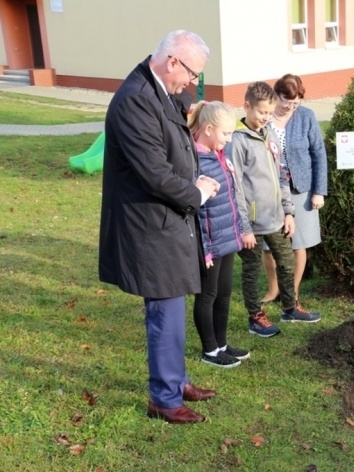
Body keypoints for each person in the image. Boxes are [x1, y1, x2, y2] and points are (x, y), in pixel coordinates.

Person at [99, 30, 218, 424]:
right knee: (165, 310)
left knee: (175, 305)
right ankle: (164, 399)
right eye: (192, 75)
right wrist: (196, 193)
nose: (192, 84)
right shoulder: (134, 100)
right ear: (172, 62)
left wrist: (185, 94)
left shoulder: (161, 89)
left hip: (169, 220)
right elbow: (154, 174)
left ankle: (176, 378)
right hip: (149, 223)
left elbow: (178, 107)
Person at [227, 81, 321, 341]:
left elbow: (281, 176)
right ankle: (255, 317)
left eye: (269, 113)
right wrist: (244, 227)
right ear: (247, 106)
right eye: (261, 113)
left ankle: (290, 308)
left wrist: (289, 212)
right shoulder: (237, 140)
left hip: (277, 217)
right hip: (251, 224)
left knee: (287, 262)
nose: (265, 118)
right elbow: (235, 186)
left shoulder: (269, 134)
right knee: (252, 269)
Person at [188, 101, 249, 369]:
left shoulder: (219, 155)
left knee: (224, 293)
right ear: (209, 129)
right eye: (226, 133)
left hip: (227, 238)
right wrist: (205, 249)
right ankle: (209, 350)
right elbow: (194, 211)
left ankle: (222, 345)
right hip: (208, 245)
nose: (229, 138)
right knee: (208, 295)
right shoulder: (194, 160)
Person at [260, 74, 328, 308]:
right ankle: (274, 288)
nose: (289, 107)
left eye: (295, 103)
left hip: (302, 189)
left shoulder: (306, 117)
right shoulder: (264, 117)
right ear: (275, 95)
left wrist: (319, 191)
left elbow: (319, 154)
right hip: (269, 191)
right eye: (285, 101)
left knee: (299, 243)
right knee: (268, 245)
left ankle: (294, 292)